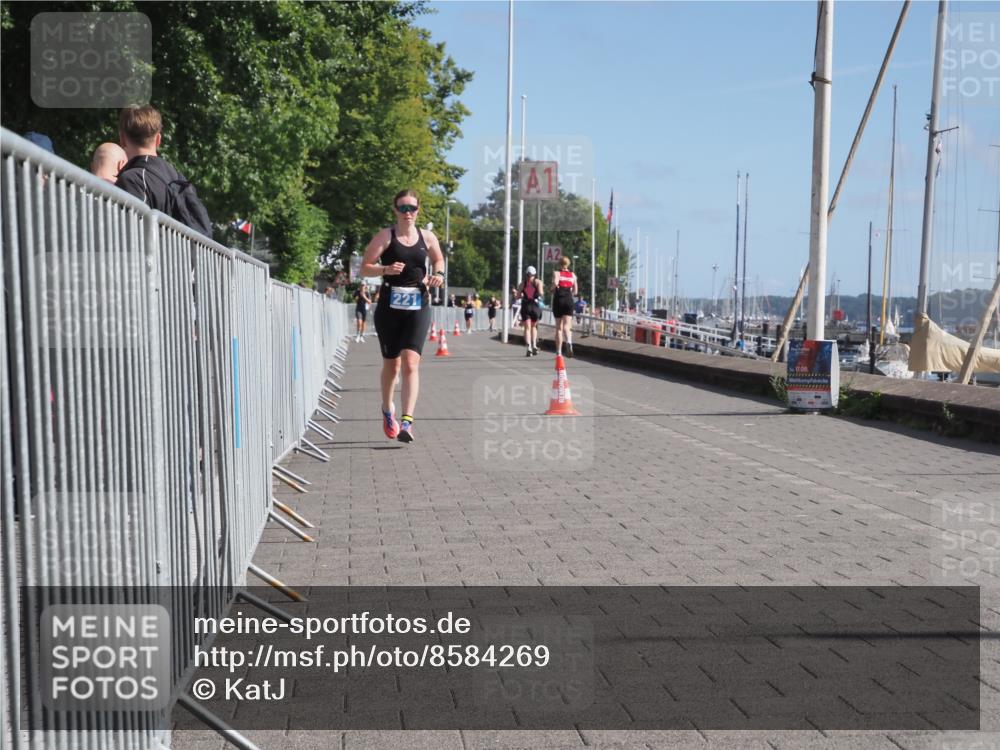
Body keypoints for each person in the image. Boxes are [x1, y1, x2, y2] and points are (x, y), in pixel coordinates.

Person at [360, 189, 444, 443]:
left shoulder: (427, 237)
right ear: (395, 210)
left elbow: (438, 260)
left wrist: (439, 275)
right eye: (403, 208)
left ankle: (407, 421)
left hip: (419, 304)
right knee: (392, 364)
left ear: (418, 210)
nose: (408, 213)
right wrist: (385, 268)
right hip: (390, 307)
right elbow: (365, 267)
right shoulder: (386, 236)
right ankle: (387, 410)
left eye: (412, 208)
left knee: (411, 363)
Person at [115, 106, 213, 239]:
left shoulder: (132, 179)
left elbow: (130, 236)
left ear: (122, 139)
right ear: (158, 140)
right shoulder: (178, 178)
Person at [552, 256, 579, 357]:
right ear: (568, 264)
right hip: (569, 299)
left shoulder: (557, 273)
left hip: (559, 299)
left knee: (559, 327)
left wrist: (552, 289)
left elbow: (555, 283)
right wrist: (569, 293)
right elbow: (575, 291)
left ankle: (559, 352)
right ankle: (569, 342)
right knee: (567, 326)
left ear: (559, 263)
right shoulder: (573, 275)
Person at [516, 266, 543, 356]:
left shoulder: (522, 284)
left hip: (526, 306)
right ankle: (534, 344)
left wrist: (524, 295)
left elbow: (517, 296)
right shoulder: (538, 282)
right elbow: (541, 293)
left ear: (526, 274)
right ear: (534, 274)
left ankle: (529, 347)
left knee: (527, 328)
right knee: (534, 327)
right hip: (535, 306)